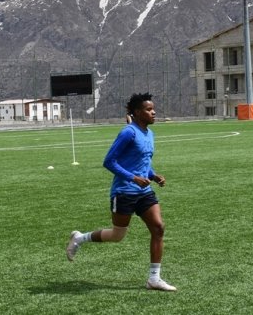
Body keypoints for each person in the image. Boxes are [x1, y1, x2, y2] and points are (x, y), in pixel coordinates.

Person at [65, 93, 176, 292]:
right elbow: (109, 162)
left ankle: (154, 278)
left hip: (144, 192)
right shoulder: (128, 133)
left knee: (158, 228)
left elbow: (141, 163)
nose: (154, 112)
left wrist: (153, 175)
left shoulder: (150, 134)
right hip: (124, 191)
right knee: (118, 235)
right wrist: (133, 178)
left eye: (153, 109)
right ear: (137, 112)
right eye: (149, 110)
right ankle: (80, 238)